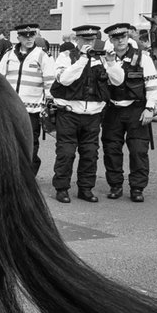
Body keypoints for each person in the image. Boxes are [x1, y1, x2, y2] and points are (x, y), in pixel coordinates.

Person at [100, 22, 157, 202]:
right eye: (115, 38)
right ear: (110, 39)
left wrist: (150, 108)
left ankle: (137, 188)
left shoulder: (143, 57)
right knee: (111, 150)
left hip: (136, 109)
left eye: (123, 37)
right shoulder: (104, 59)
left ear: (128, 38)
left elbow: (152, 85)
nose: (120, 41)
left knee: (138, 150)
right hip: (112, 110)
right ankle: (115, 185)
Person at [49, 24, 109, 203]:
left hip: (93, 115)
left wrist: (110, 62)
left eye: (92, 39)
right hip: (69, 113)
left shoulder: (101, 58)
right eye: (85, 39)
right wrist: (83, 59)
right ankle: (62, 188)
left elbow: (115, 80)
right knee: (66, 153)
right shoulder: (65, 56)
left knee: (90, 153)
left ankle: (86, 188)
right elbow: (65, 80)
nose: (89, 43)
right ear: (77, 40)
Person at [0, 23, 54, 173]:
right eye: (25, 36)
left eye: (32, 35)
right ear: (19, 37)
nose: (29, 39)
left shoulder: (42, 55)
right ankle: (11, 171)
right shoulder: (9, 55)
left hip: (32, 109)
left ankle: (28, 173)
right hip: (11, 107)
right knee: (9, 140)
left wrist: (48, 102)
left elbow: (49, 81)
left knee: (30, 142)